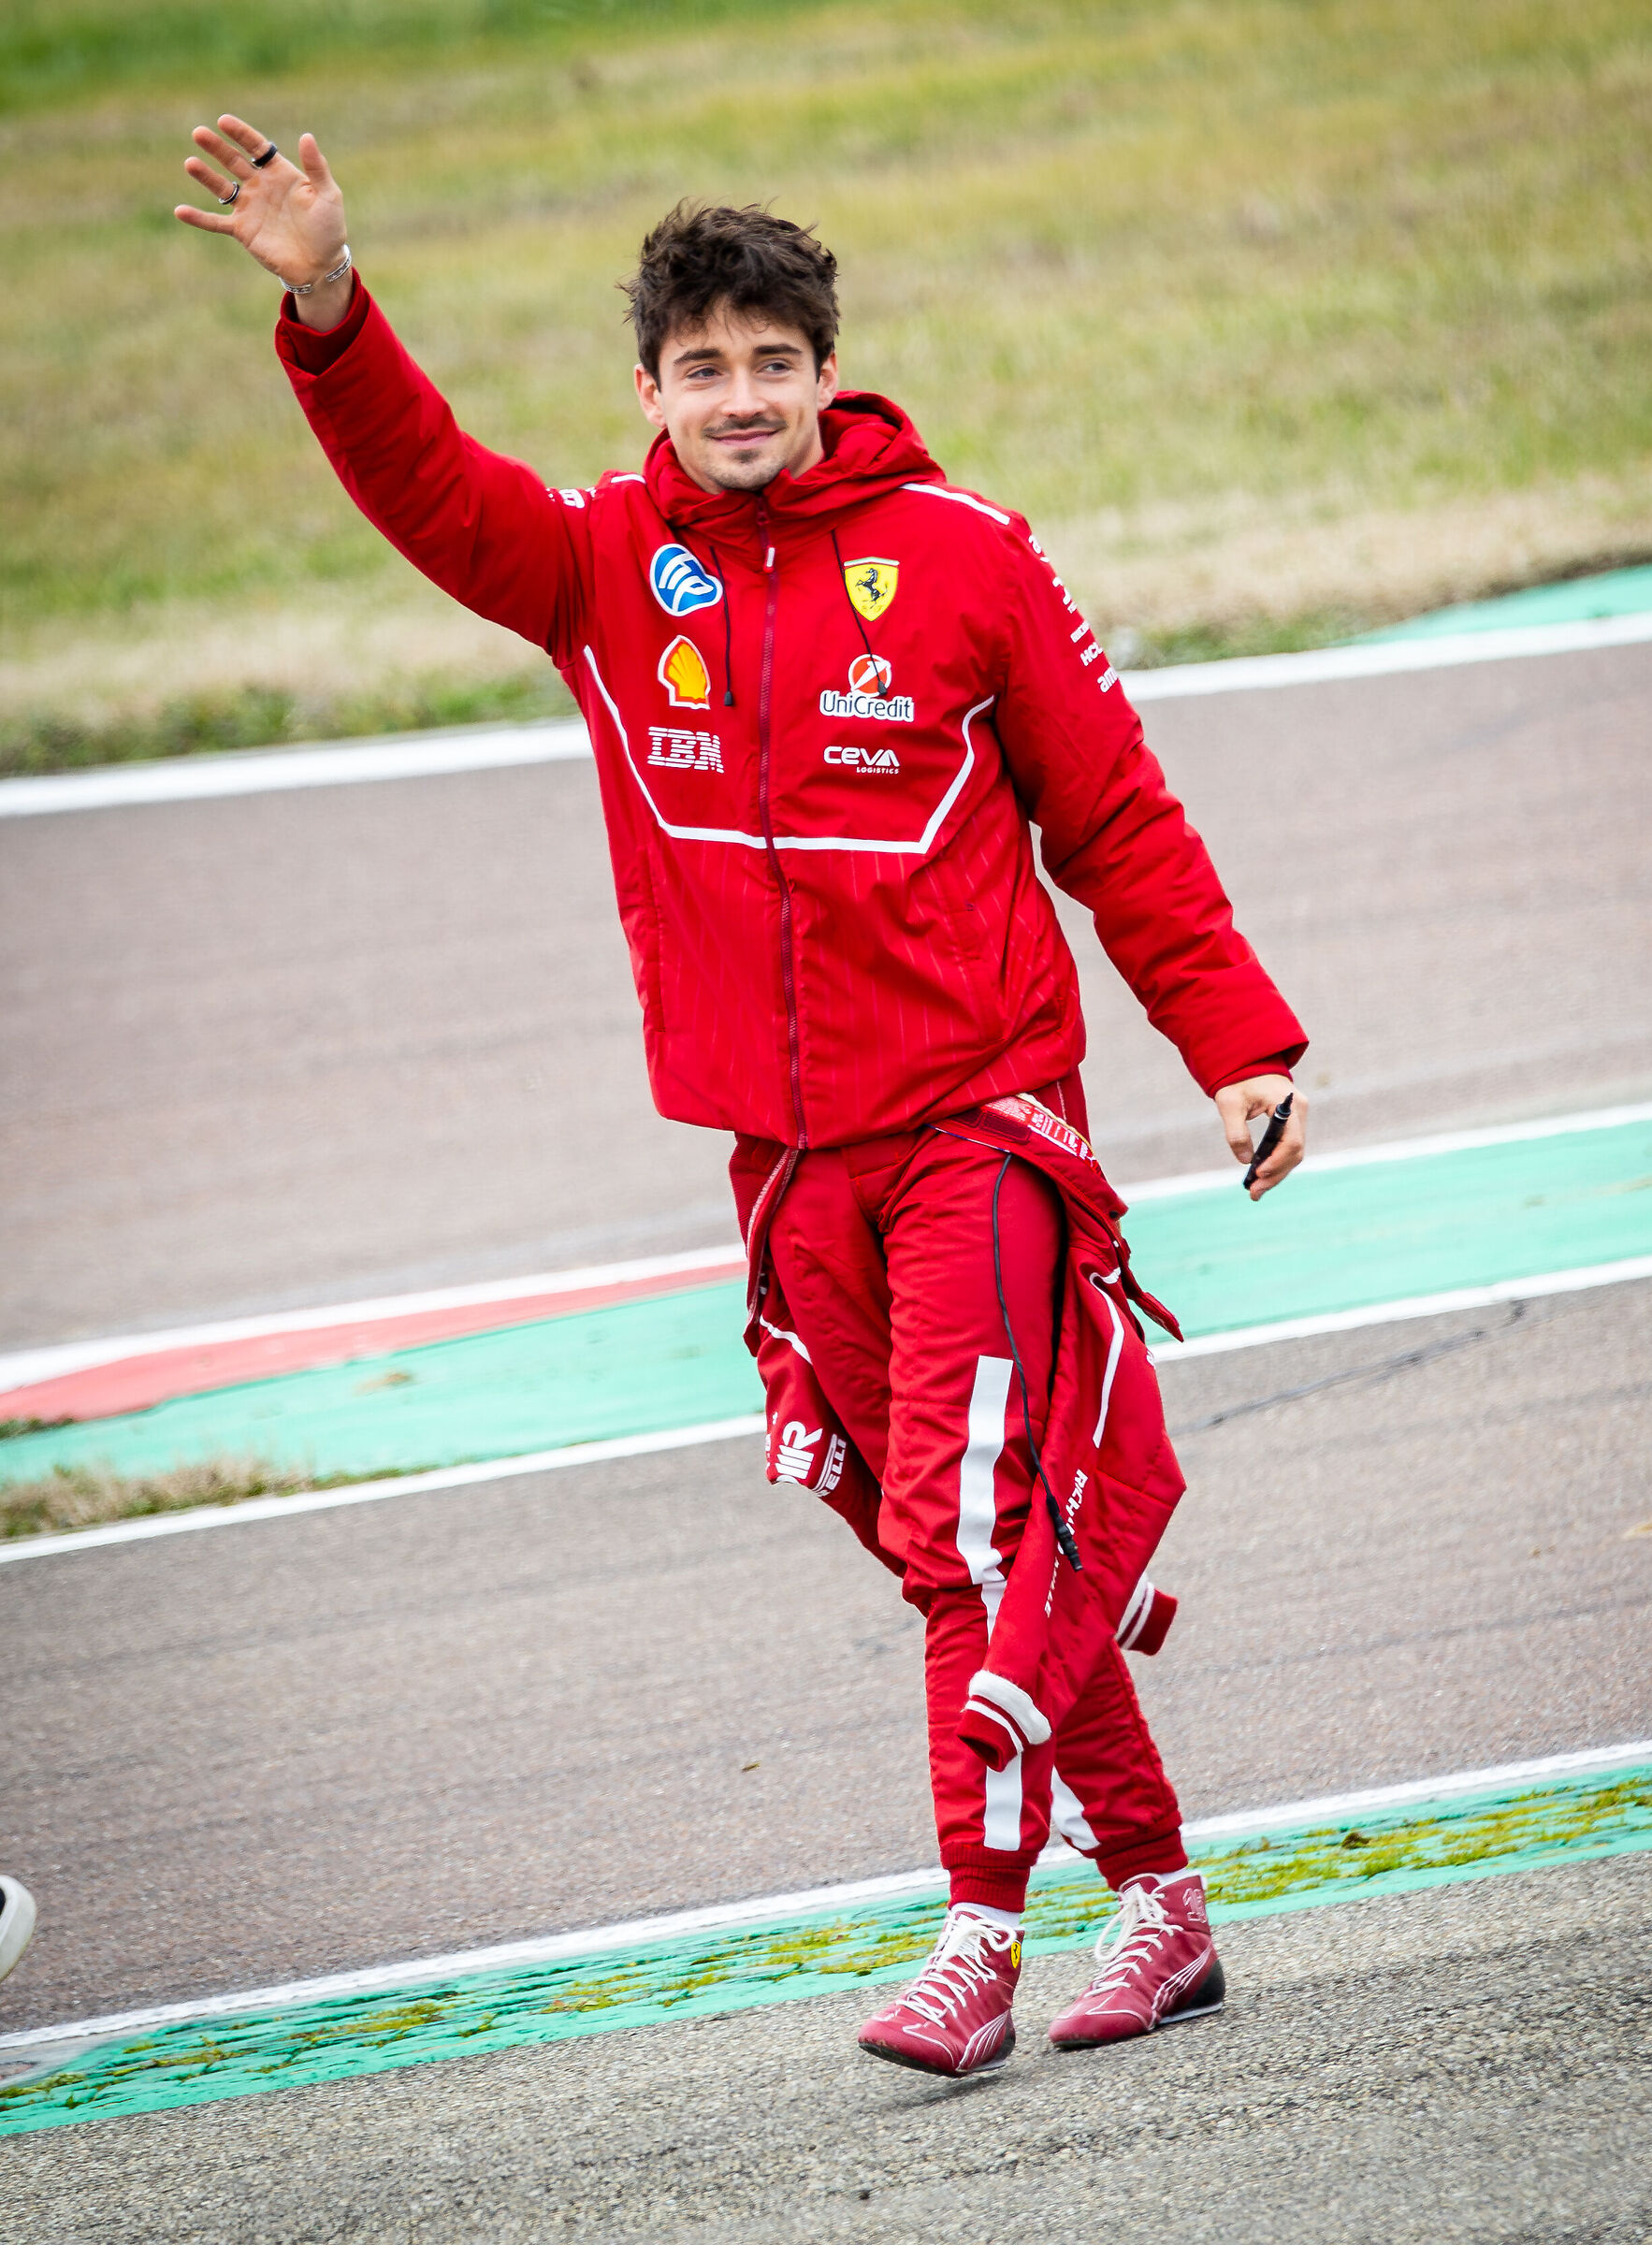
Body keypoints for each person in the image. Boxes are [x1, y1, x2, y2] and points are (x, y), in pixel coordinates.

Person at [176, 118, 1309, 2079]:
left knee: (973, 1541)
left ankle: (976, 1941)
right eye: (701, 366)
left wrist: (1240, 1050)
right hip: (787, 1176)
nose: (741, 397)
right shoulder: (606, 571)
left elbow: (1116, 820)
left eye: (772, 361)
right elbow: (431, 491)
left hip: (985, 1132)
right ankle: (1167, 1902)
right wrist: (329, 303)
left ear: (825, 371)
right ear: (651, 393)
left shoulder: (968, 562)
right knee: (967, 1547)